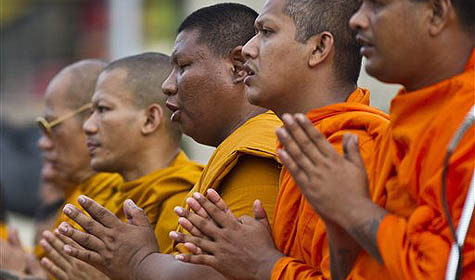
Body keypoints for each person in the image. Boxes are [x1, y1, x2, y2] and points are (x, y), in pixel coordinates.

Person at [56, 3, 281, 280]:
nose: (168, 85)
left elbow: (223, 274)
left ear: (237, 66)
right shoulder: (234, 150)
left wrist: (138, 262)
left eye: (183, 66)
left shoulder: (256, 149)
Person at [168, 0, 388, 279]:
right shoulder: (306, 145)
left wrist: (263, 264)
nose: (248, 48)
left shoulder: (349, 150)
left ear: (319, 49)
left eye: (267, 32)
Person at [273, 0, 474, 279]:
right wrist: (341, 223)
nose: (356, 20)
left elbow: (441, 271)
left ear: (436, 13)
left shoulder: (467, 125)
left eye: (377, 6)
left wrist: (354, 209)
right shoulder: (408, 121)